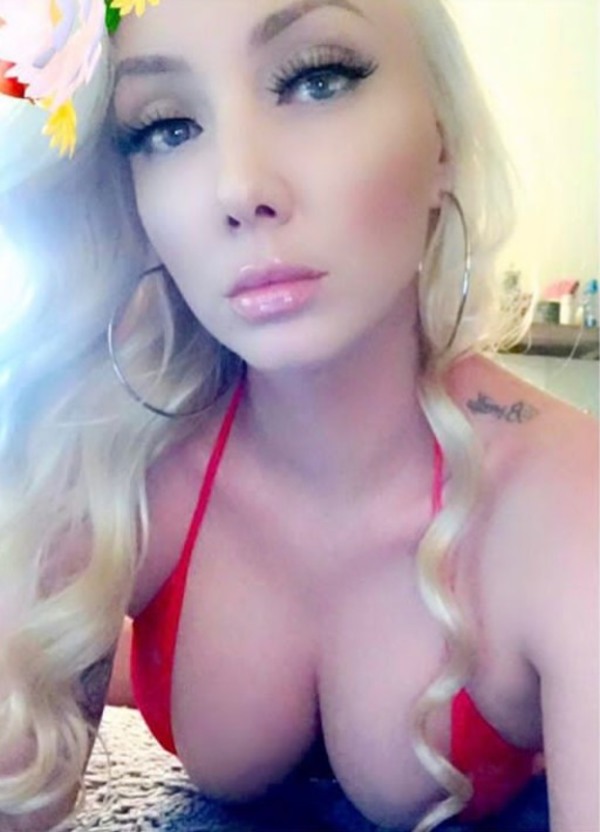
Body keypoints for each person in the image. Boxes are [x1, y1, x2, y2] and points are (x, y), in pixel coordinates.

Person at [0, 1, 597, 831]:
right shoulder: (116, 461)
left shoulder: (570, 510)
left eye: (318, 80)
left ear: (443, 141)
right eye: (167, 127)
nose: (240, 188)